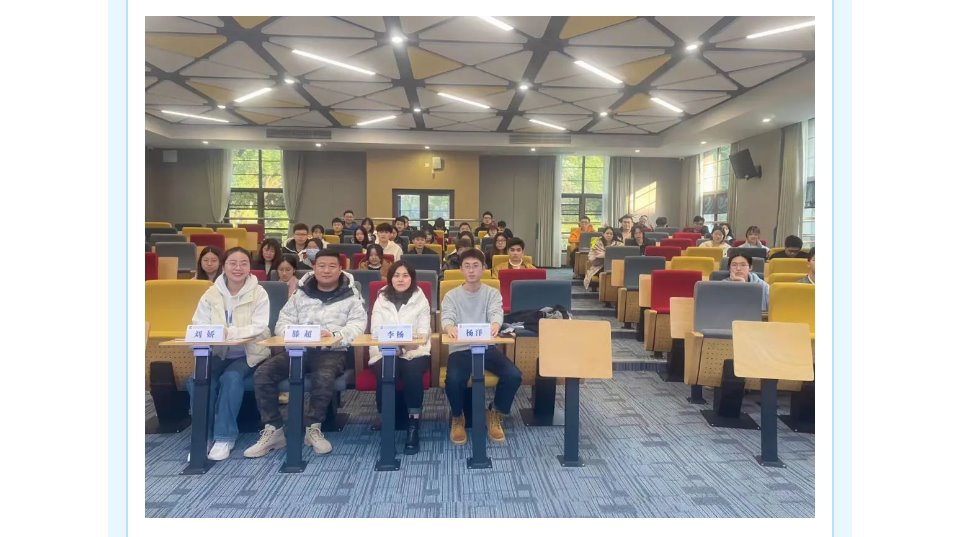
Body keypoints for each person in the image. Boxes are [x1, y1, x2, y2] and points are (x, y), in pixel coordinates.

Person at [245, 250, 367, 458]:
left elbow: (358, 325)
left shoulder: (350, 295)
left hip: (331, 351)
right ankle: (274, 429)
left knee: (324, 376)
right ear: (314, 268)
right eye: (321, 266)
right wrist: (296, 334)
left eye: (332, 266)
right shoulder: (301, 293)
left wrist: (334, 335)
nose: (326, 270)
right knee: (263, 373)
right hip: (297, 349)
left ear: (340, 269)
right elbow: (282, 323)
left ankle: (313, 428)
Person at [186, 247, 271, 461]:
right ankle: (203, 436)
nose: (238, 268)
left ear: (250, 267)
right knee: (198, 380)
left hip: (249, 353)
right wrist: (213, 334)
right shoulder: (211, 293)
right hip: (219, 352)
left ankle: (224, 437)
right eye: (233, 263)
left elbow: (259, 326)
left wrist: (229, 333)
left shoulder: (259, 293)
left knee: (231, 377)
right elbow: (199, 323)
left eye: (243, 263)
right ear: (224, 266)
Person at [441, 249, 521, 445]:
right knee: (453, 380)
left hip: (487, 348)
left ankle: (494, 412)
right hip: (461, 349)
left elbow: (496, 313)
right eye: (467, 266)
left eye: (475, 266)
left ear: (484, 268)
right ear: (461, 269)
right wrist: (450, 327)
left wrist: (495, 324)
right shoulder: (451, 295)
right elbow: (447, 317)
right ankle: (458, 416)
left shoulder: (492, 293)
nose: (471, 270)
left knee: (513, 375)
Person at [368, 261, 432, 454]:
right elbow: (376, 331)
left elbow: (423, 333)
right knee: (385, 371)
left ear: (412, 278)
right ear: (390, 278)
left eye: (405, 275)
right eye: (396, 275)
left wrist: (403, 347)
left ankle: (413, 423)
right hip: (384, 351)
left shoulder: (420, 299)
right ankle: (386, 421)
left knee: (412, 372)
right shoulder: (381, 298)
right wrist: (399, 345)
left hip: (415, 351)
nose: (401, 279)